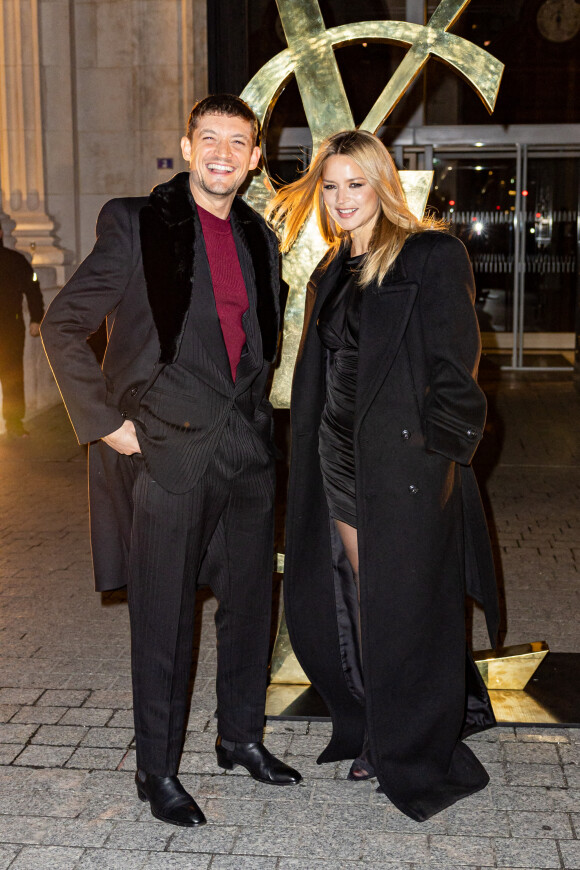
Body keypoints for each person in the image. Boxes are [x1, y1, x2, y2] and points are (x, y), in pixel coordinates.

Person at [41, 94, 301, 829]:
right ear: (187, 147)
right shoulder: (135, 222)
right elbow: (64, 326)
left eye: (238, 142)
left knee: (251, 608)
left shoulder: (259, 234)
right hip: (166, 454)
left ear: (255, 158)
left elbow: (254, 344)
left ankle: (241, 738)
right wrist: (105, 425)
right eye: (208, 138)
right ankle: (156, 770)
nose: (223, 152)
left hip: (247, 453)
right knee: (165, 622)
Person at [266, 130, 499, 822]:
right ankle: (378, 722)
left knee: (400, 600)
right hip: (336, 453)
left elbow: (457, 372)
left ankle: (410, 739)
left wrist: (439, 464)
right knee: (366, 594)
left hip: (406, 464)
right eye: (331, 186)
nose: (341, 199)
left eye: (354, 184)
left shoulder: (429, 254)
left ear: (382, 184)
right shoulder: (332, 267)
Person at [0, 228, 44, 438]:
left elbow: (32, 288)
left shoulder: (15, 260)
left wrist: (36, 318)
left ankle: (14, 423)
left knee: (12, 375)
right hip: (11, 326)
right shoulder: (16, 259)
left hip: (10, 327)